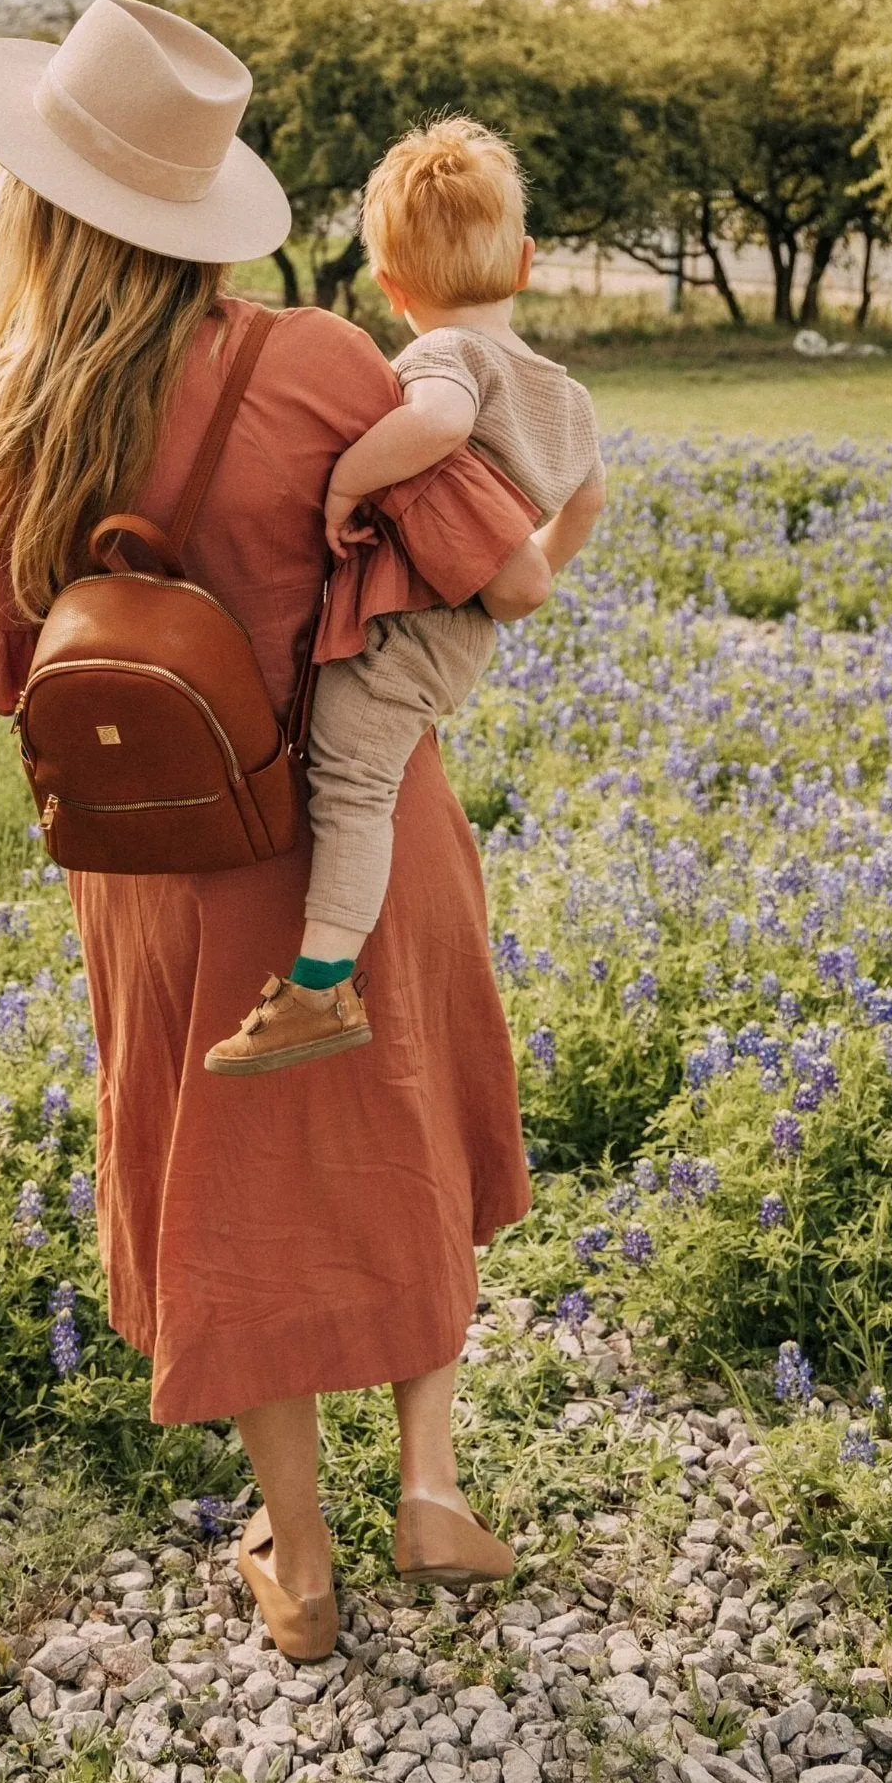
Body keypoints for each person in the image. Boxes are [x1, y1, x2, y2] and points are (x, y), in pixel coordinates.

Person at [0, 0, 548, 1662]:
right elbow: (496, 564)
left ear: (39, 206)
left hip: (163, 865)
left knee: (230, 1186)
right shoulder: (321, 361)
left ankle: (298, 1560)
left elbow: (5, 675)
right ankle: (430, 1482)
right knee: (399, 1124)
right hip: (365, 836)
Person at [206, 116, 606, 1076]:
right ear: (525, 261)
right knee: (367, 774)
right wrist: (534, 567)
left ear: (389, 287)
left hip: (414, 625)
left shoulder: (447, 361)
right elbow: (589, 498)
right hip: (460, 627)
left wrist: (347, 482)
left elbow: (437, 422)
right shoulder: (565, 394)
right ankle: (324, 971)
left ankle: (320, 982)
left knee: (351, 785)